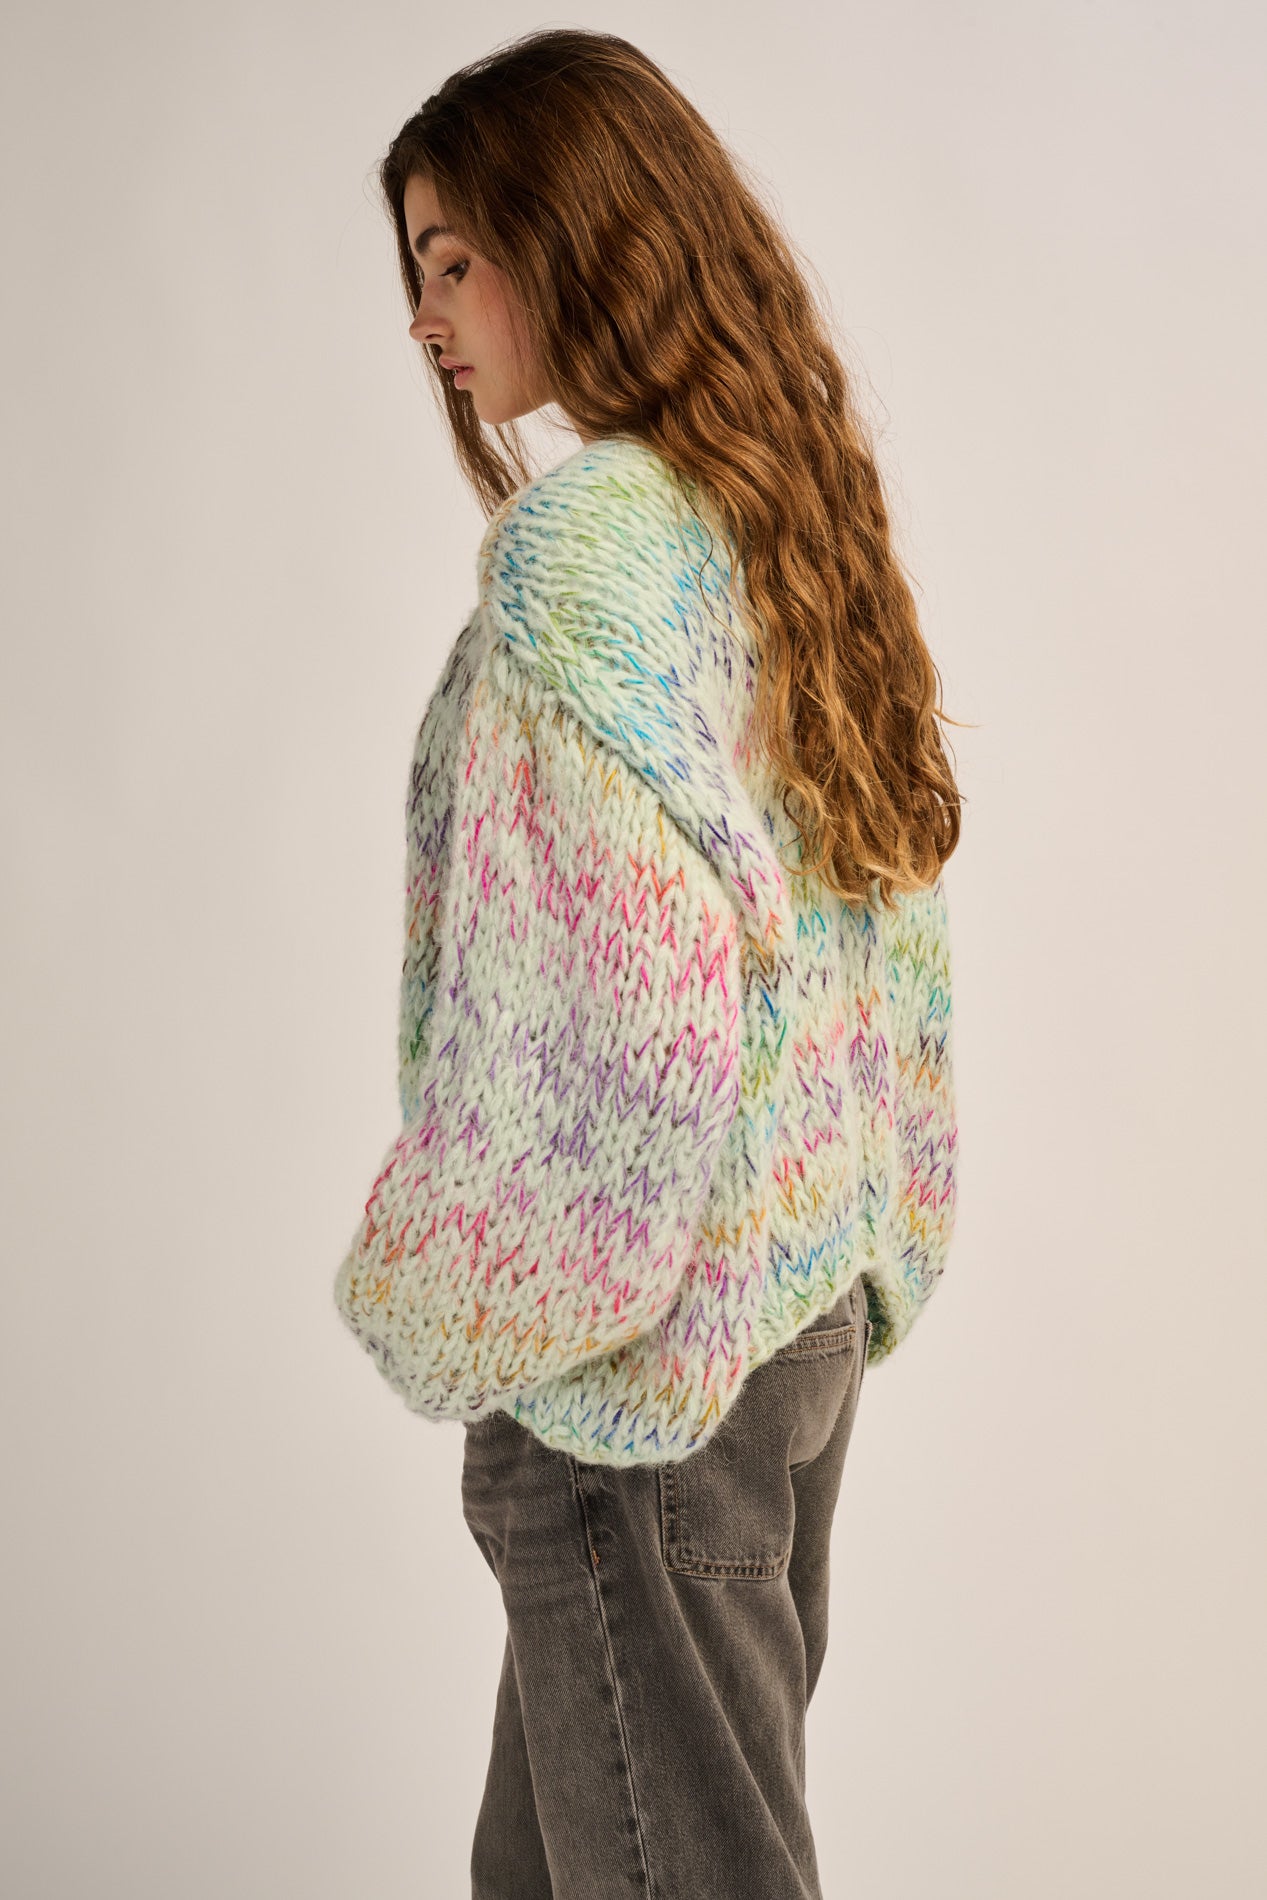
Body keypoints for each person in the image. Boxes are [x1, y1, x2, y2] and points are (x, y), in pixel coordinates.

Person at [333, 27, 963, 1900]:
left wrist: (445, 1294)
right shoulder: (776, 512)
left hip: (645, 1364)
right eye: (416, 268)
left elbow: (642, 1022)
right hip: (788, 1312)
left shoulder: (588, 550)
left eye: (457, 258)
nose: (426, 316)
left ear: (577, 235)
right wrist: (868, 1228)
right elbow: (888, 933)